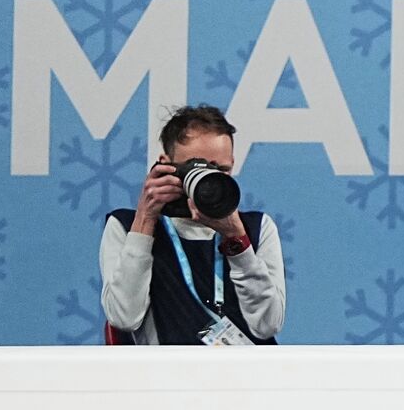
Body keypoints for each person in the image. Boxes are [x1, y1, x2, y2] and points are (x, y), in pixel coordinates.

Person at [100, 104, 285, 345]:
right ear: (166, 164)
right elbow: (124, 318)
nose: (209, 178)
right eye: (197, 167)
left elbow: (267, 325)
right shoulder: (126, 227)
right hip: (166, 378)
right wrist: (145, 220)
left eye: (221, 170)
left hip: (244, 378)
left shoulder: (257, 228)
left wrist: (237, 239)